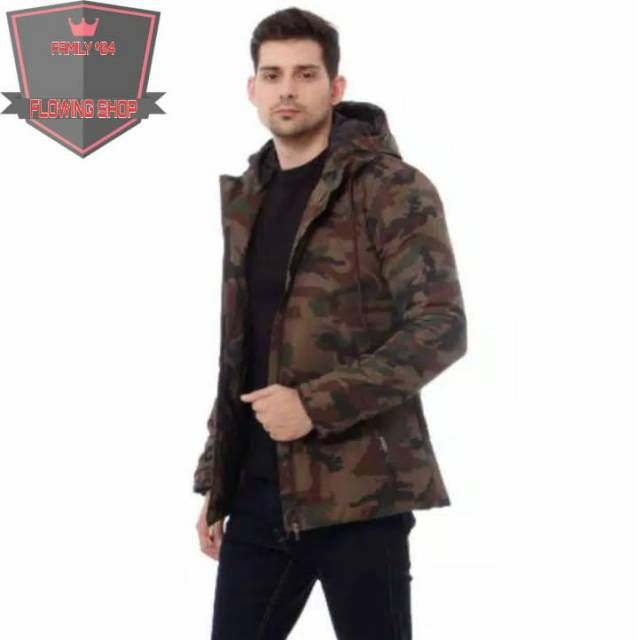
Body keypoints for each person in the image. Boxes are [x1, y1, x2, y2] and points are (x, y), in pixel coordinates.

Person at [193, 7, 467, 639]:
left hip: (360, 496)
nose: (287, 89)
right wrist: (217, 478)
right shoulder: (249, 196)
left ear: (335, 87)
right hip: (259, 493)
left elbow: (442, 326)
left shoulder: (390, 187)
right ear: (253, 88)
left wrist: (314, 405)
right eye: (273, 75)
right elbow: (242, 347)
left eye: (306, 74)